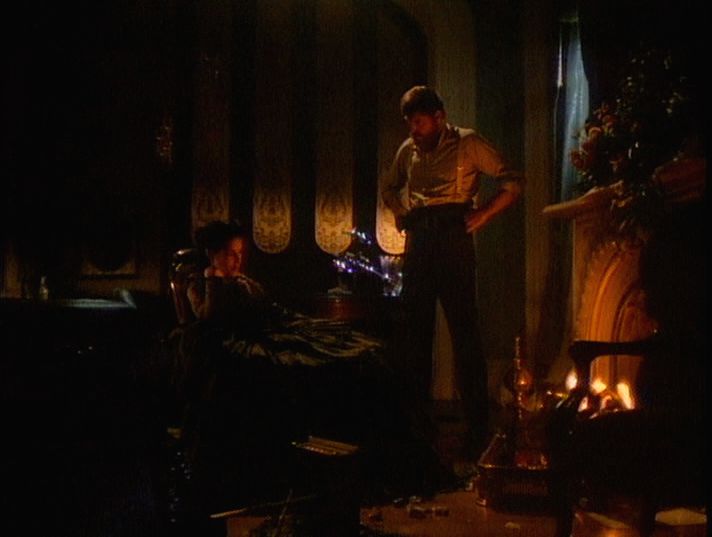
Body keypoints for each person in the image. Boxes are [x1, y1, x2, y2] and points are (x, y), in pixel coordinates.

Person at [381, 85, 523, 463]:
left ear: (439, 118)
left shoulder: (468, 143)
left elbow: (512, 182)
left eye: (419, 122)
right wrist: (400, 212)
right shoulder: (408, 150)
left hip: (453, 237)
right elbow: (390, 187)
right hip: (419, 241)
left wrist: (484, 214)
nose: (413, 131)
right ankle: (417, 428)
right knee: (416, 334)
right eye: (410, 124)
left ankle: (477, 430)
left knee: (465, 333)